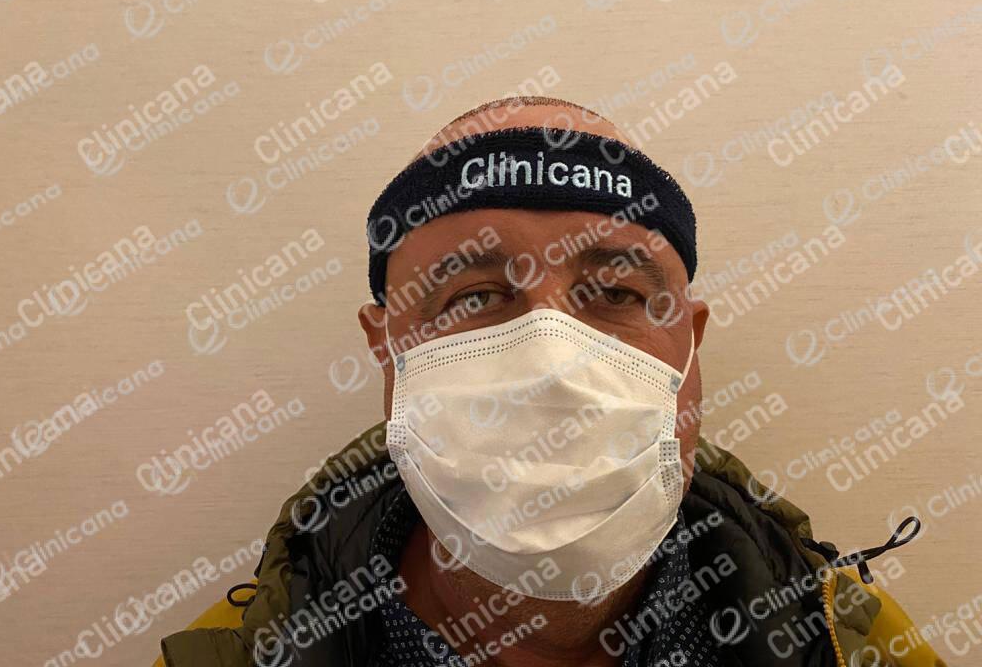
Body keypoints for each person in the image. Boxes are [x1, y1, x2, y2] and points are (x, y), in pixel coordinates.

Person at [155, 96, 946, 667]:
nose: (553, 362)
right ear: (385, 347)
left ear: (690, 344)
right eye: (472, 298)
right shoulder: (236, 654)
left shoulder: (853, 643)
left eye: (618, 293)